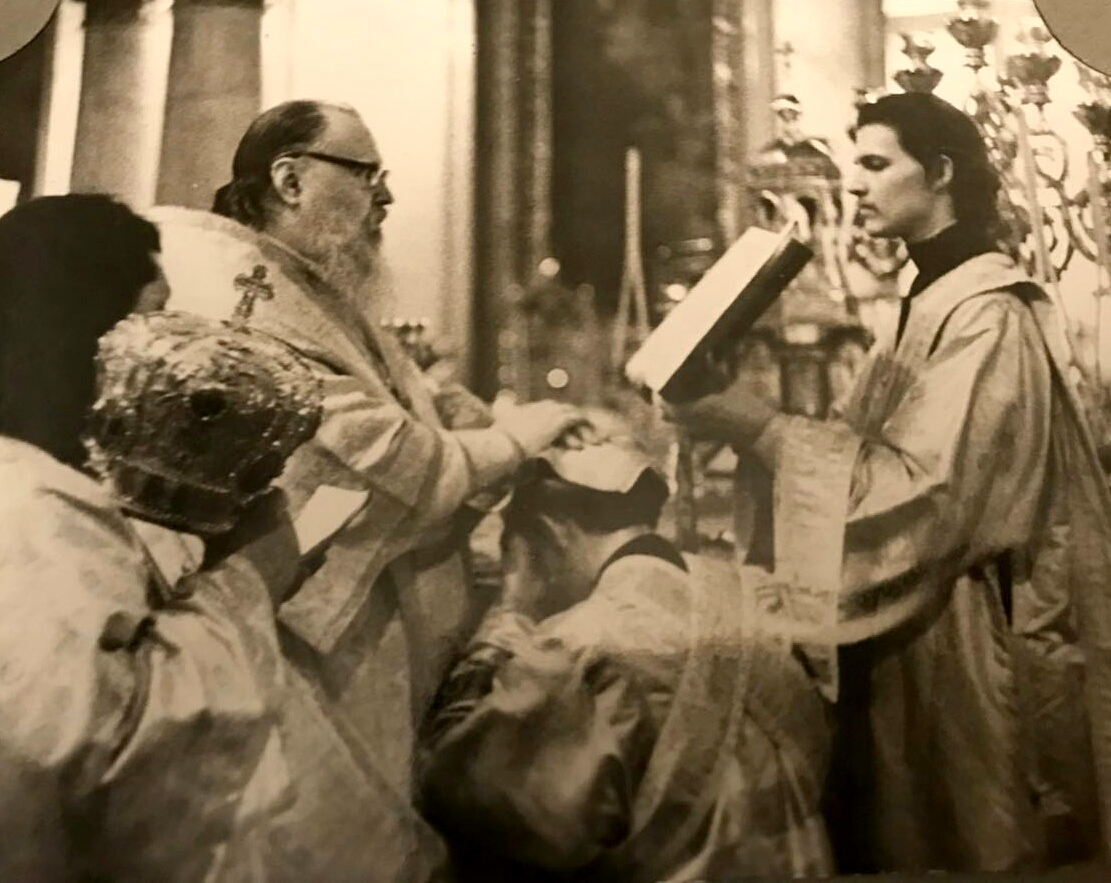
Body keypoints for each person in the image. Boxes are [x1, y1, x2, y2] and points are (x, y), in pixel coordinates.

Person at [668, 92, 1111, 873]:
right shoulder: (927, 301)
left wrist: (756, 427)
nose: (855, 186)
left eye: (875, 165)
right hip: (916, 637)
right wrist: (747, 417)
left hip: (963, 645)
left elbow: (924, 497)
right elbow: (855, 450)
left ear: (938, 172)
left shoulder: (987, 316)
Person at [150, 99, 585, 879]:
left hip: (368, 624)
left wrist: (458, 408)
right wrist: (518, 438)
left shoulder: (299, 282)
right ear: (290, 180)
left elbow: (394, 404)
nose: (384, 195)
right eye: (365, 173)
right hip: (313, 635)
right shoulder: (246, 294)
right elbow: (394, 462)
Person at [0, 196, 315, 880]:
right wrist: (250, 580)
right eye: (153, 320)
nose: (174, 361)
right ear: (76, 333)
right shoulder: (28, 511)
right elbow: (123, 766)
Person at [417, 440, 833, 881]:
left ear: (550, 533)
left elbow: (469, 799)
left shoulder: (579, 644)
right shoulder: (753, 597)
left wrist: (510, 610)